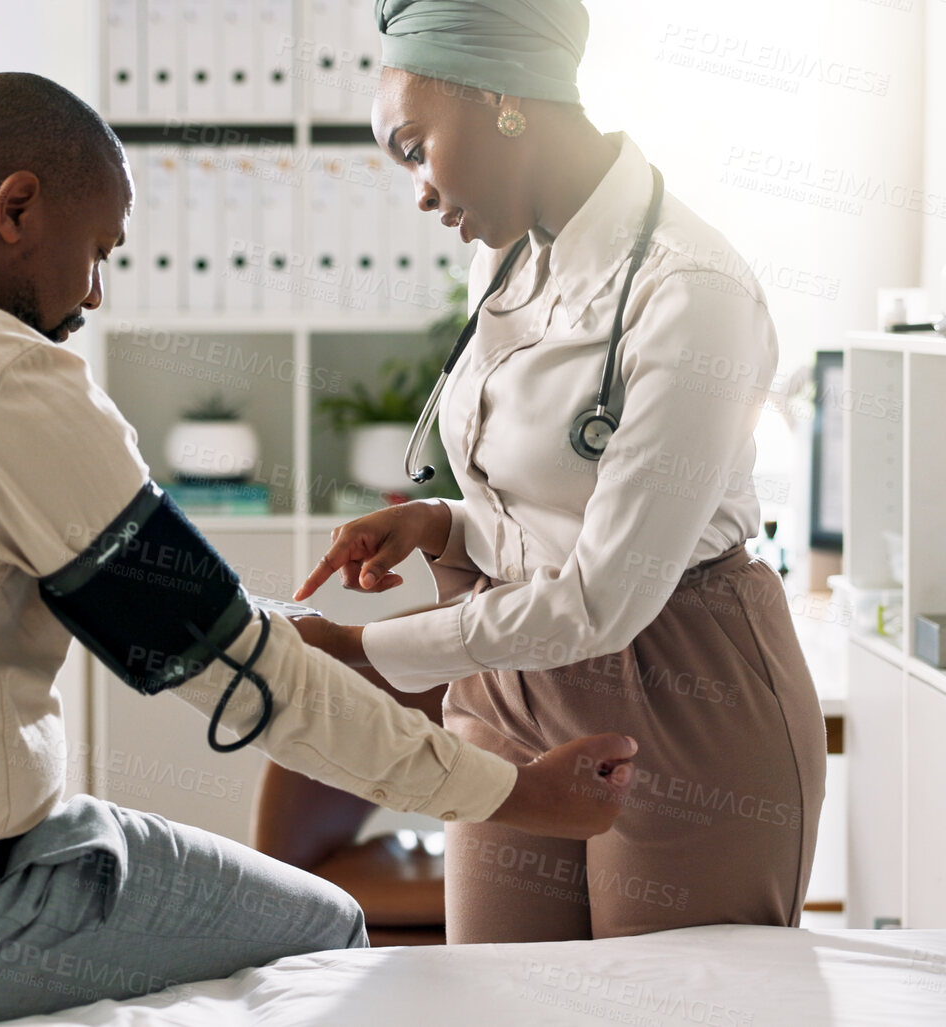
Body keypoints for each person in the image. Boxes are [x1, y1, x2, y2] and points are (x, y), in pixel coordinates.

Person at [0, 71, 635, 1027]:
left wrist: (304, 636)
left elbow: (103, 604)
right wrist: (518, 794)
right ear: (17, 208)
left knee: (99, 825)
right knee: (328, 925)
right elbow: (248, 685)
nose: (96, 294)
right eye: (99, 248)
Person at [289, 0, 828, 943]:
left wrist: (365, 652)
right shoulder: (500, 259)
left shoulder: (690, 291)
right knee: (499, 1001)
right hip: (507, 675)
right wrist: (444, 524)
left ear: (503, 98)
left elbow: (603, 598)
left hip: (681, 684)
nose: (416, 189)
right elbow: (548, 505)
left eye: (415, 146)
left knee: (662, 1009)